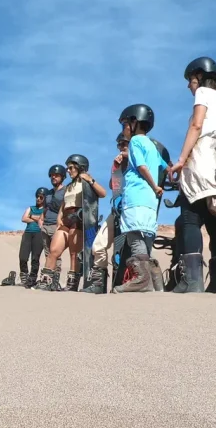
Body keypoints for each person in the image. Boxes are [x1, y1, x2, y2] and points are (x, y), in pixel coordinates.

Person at [167, 58, 216, 292]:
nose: (190, 86)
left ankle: (192, 281)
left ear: (199, 76)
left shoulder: (203, 93)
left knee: (190, 217)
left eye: (190, 80)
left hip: (202, 157)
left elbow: (196, 126)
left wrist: (181, 160)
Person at [112, 103, 167, 293]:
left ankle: (142, 280)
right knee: (147, 236)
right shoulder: (151, 145)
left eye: (124, 125)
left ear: (134, 122)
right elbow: (165, 165)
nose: (124, 129)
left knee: (134, 236)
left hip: (136, 197)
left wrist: (154, 185)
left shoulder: (135, 142)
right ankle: (155, 282)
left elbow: (142, 167)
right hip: (150, 201)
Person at [35, 154, 107, 290]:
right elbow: (63, 204)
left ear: (80, 167)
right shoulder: (69, 186)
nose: (68, 171)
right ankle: (46, 281)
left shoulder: (86, 182)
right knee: (53, 250)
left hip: (78, 220)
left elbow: (103, 193)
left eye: (71, 168)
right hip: (66, 220)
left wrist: (91, 180)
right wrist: (59, 220)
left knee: (74, 254)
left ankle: (72, 284)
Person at [86, 134, 129, 294]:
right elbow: (114, 186)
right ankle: (99, 284)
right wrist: (116, 167)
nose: (121, 147)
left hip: (133, 209)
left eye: (124, 143)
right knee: (98, 245)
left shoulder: (139, 157)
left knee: (127, 250)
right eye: (119, 144)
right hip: (117, 209)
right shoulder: (118, 163)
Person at [40, 164, 66, 286]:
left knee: (56, 254)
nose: (53, 177)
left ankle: (55, 280)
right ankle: (46, 279)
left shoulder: (66, 191)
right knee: (47, 254)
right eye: (52, 176)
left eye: (56, 175)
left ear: (62, 176)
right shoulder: (48, 193)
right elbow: (44, 209)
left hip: (57, 226)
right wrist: (41, 221)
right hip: (45, 226)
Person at [18, 188, 48, 288]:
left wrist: (31, 217)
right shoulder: (30, 208)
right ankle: (24, 276)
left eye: (41, 197)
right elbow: (23, 218)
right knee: (23, 256)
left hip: (39, 234)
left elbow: (43, 221)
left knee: (35, 258)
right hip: (28, 233)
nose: (38, 199)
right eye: (37, 197)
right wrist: (37, 218)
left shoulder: (47, 210)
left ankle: (32, 278)